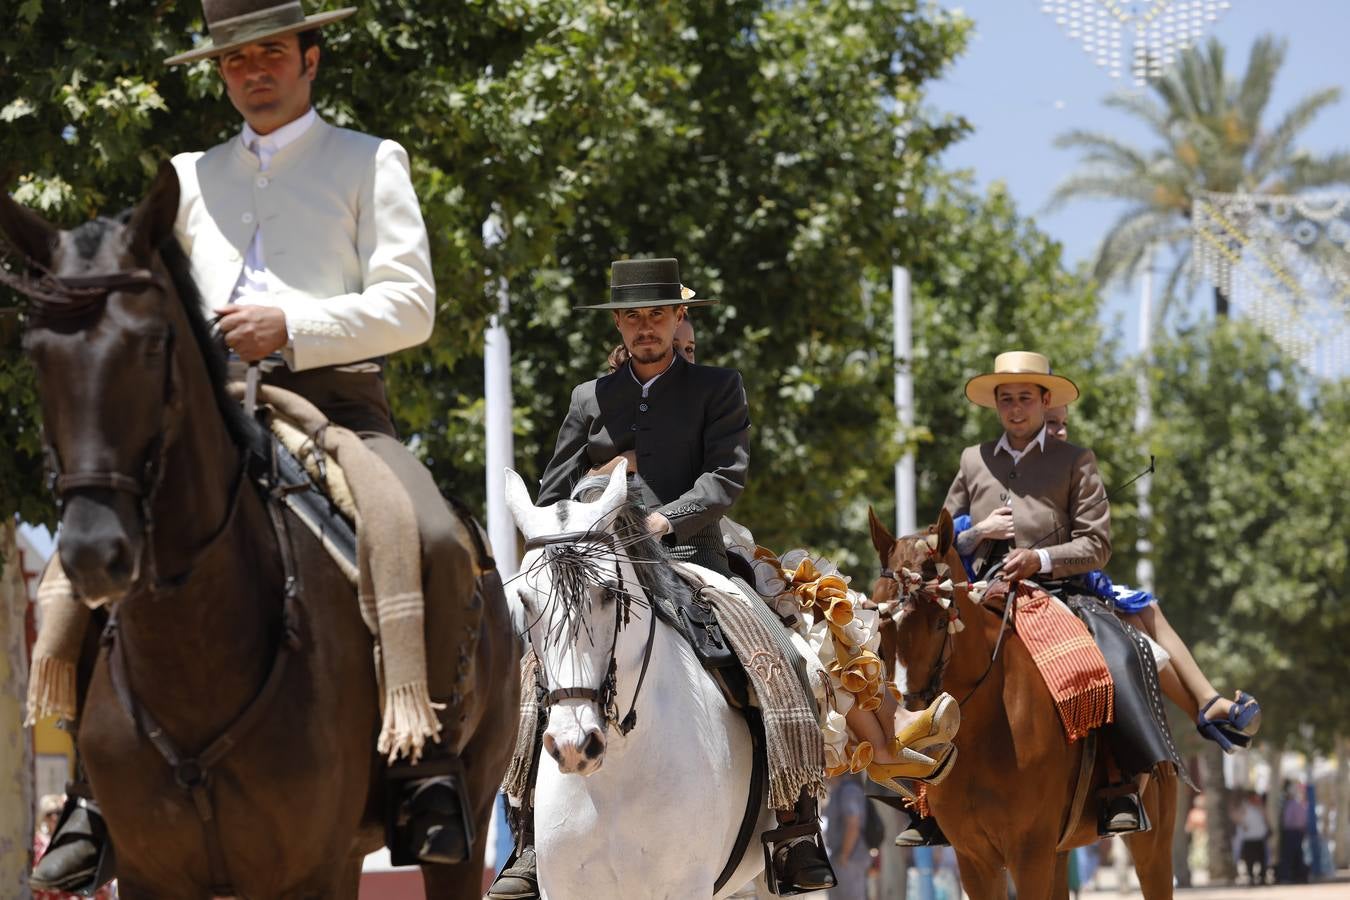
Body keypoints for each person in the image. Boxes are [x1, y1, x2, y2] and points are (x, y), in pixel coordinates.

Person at [32, 0, 478, 890]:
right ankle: (92, 791)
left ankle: (422, 769)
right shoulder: (186, 176)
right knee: (74, 571)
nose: (253, 72)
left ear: (312, 58)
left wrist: (292, 325)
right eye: (235, 62)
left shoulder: (369, 160)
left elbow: (411, 306)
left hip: (334, 406)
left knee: (428, 535)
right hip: (201, 415)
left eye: (271, 53)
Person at [940, 351, 1186, 838]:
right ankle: (925, 801)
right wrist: (975, 532)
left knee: (1115, 658)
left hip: (1059, 592)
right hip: (985, 592)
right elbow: (940, 536)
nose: (1015, 409)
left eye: (1025, 399)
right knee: (927, 660)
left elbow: (1097, 544)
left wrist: (1039, 559)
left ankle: (1120, 784)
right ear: (995, 405)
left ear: (1044, 401)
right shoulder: (974, 460)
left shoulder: (1075, 461)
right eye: (1005, 400)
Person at [1038, 404, 1261, 752]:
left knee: (1146, 609)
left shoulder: (1071, 467)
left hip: (1074, 580)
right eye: (1053, 423)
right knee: (1136, 628)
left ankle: (1207, 701)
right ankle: (1204, 712)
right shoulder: (1013, 471)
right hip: (1041, 584)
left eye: (1064, 423)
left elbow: (1091, 540)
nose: (1062, 431)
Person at [822, 774, 870, 900]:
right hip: (841, 858)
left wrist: (844, 855)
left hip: (850, 859)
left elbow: (853, 825)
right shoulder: (837, 790)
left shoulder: (849, 790)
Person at [1277, 780, 1309, 884]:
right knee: (1296, 854)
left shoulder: (1292, 804)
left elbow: (1288, 821)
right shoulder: (1296, 803)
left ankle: (1291, 876)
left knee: (1290, 855)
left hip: (1291, 832)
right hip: (1296, 832)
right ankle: (1296, 875)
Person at [1235, 790, 1270, 886]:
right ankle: (1251, 877)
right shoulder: (1244, 807)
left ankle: (1262, 877)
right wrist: (1242, 823)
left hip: (1259, 838)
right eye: (1255, 797)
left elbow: (1266, 818)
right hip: (1249, 838)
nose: (1257, 798)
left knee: (1262, 859)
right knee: (1249, 860)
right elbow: (1237, 817)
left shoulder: (1260, 807)